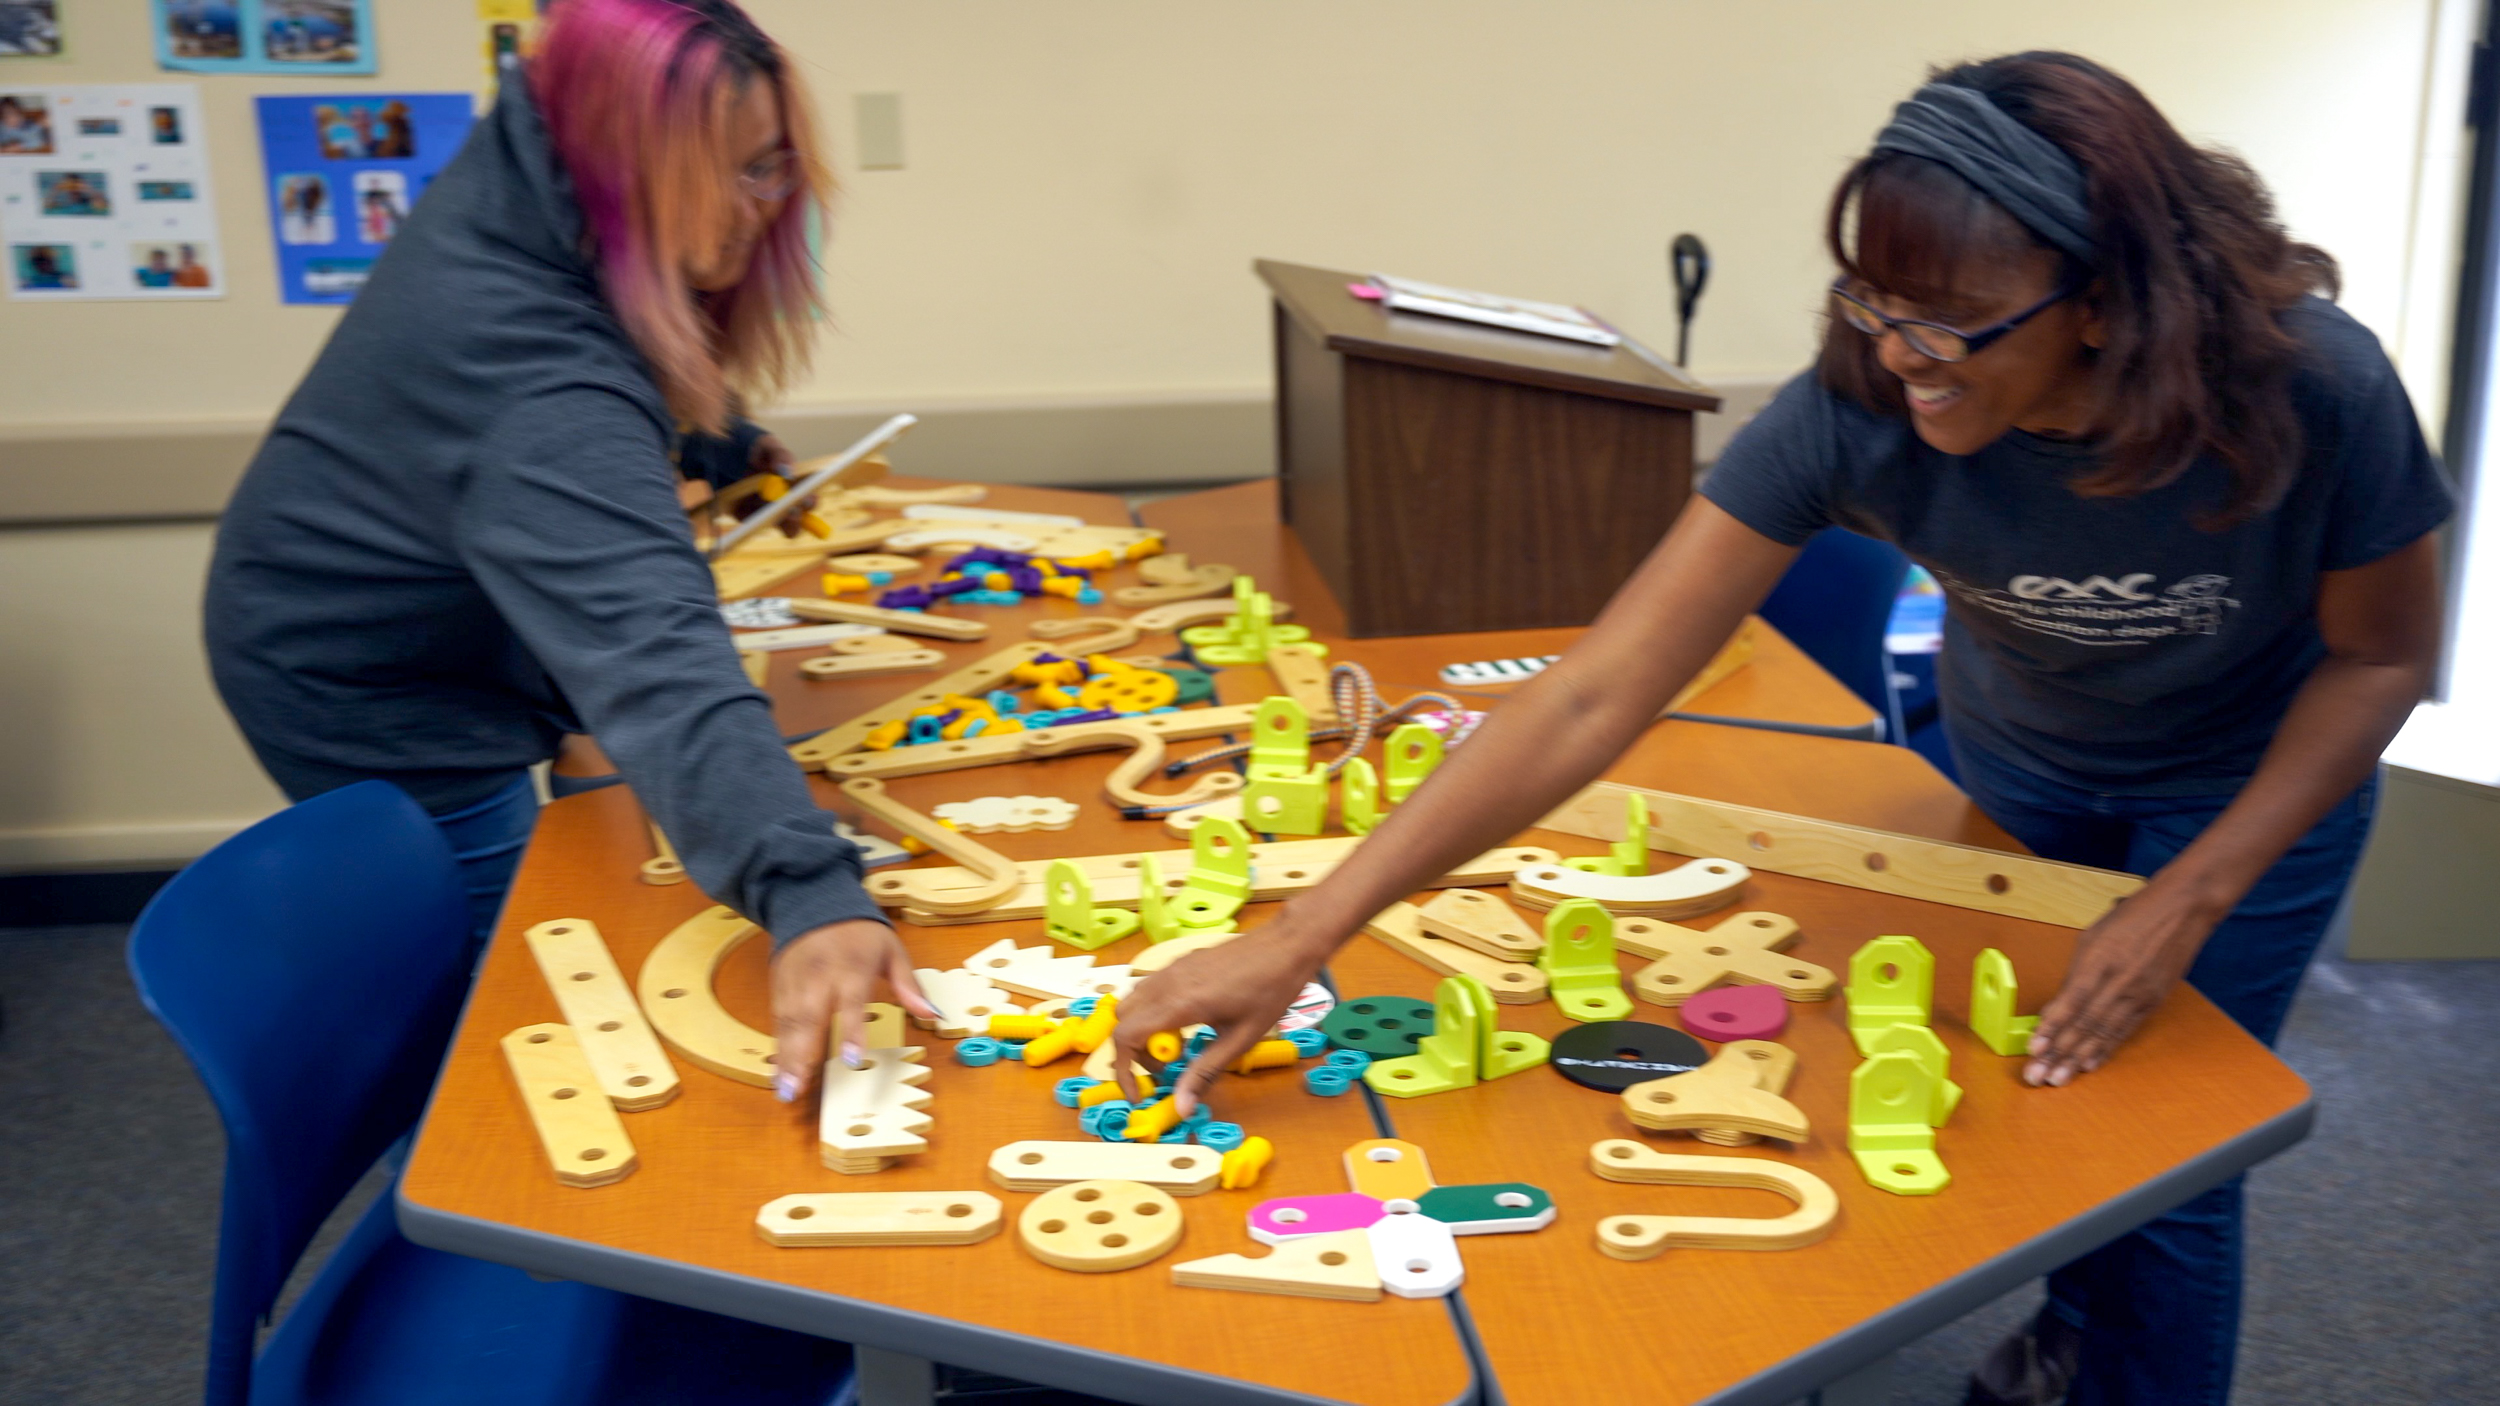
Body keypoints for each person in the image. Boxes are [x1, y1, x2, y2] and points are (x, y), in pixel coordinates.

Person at [1109, 50, 2451, 1406]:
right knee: (2039, 1095)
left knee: (2175, 1160)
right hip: (2022, 760)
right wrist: (1300, 934)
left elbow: (2383, 655)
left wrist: (2191, 896)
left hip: (2252, 789)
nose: (1897, 355)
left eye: (1950, 323)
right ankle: (2074, 1338)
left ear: (2098, 306)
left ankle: (2109, 1353)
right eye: (1874, 299)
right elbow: (1592, 691)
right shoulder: (1859, 407)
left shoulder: (2311, 388)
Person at [206, 0, 928, 1103]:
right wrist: (812, 892)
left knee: (567, 894)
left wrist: (721, 437)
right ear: (616, 163)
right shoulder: (533, 380)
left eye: (768, 168)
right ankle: (469, 1173)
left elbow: (620, 339)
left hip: (426, 611)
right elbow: (658, 652)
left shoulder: (533, 173)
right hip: (361, 674)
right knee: (514, 994)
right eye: (714, 177)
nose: (750, 216)